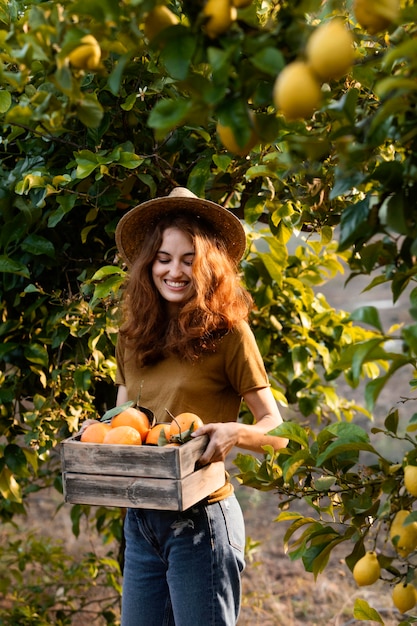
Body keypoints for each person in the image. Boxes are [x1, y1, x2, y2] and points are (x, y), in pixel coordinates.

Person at [114, 186, 288, 626]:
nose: (174, 270)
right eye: (163, 258)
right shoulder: (133, 337)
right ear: (148, 264)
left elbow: (278, 431)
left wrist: (236, 433)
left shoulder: (229, 334)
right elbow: (122, 426)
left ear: (208, 264)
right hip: (141, 522)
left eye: (188, 259)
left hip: (202, 521)